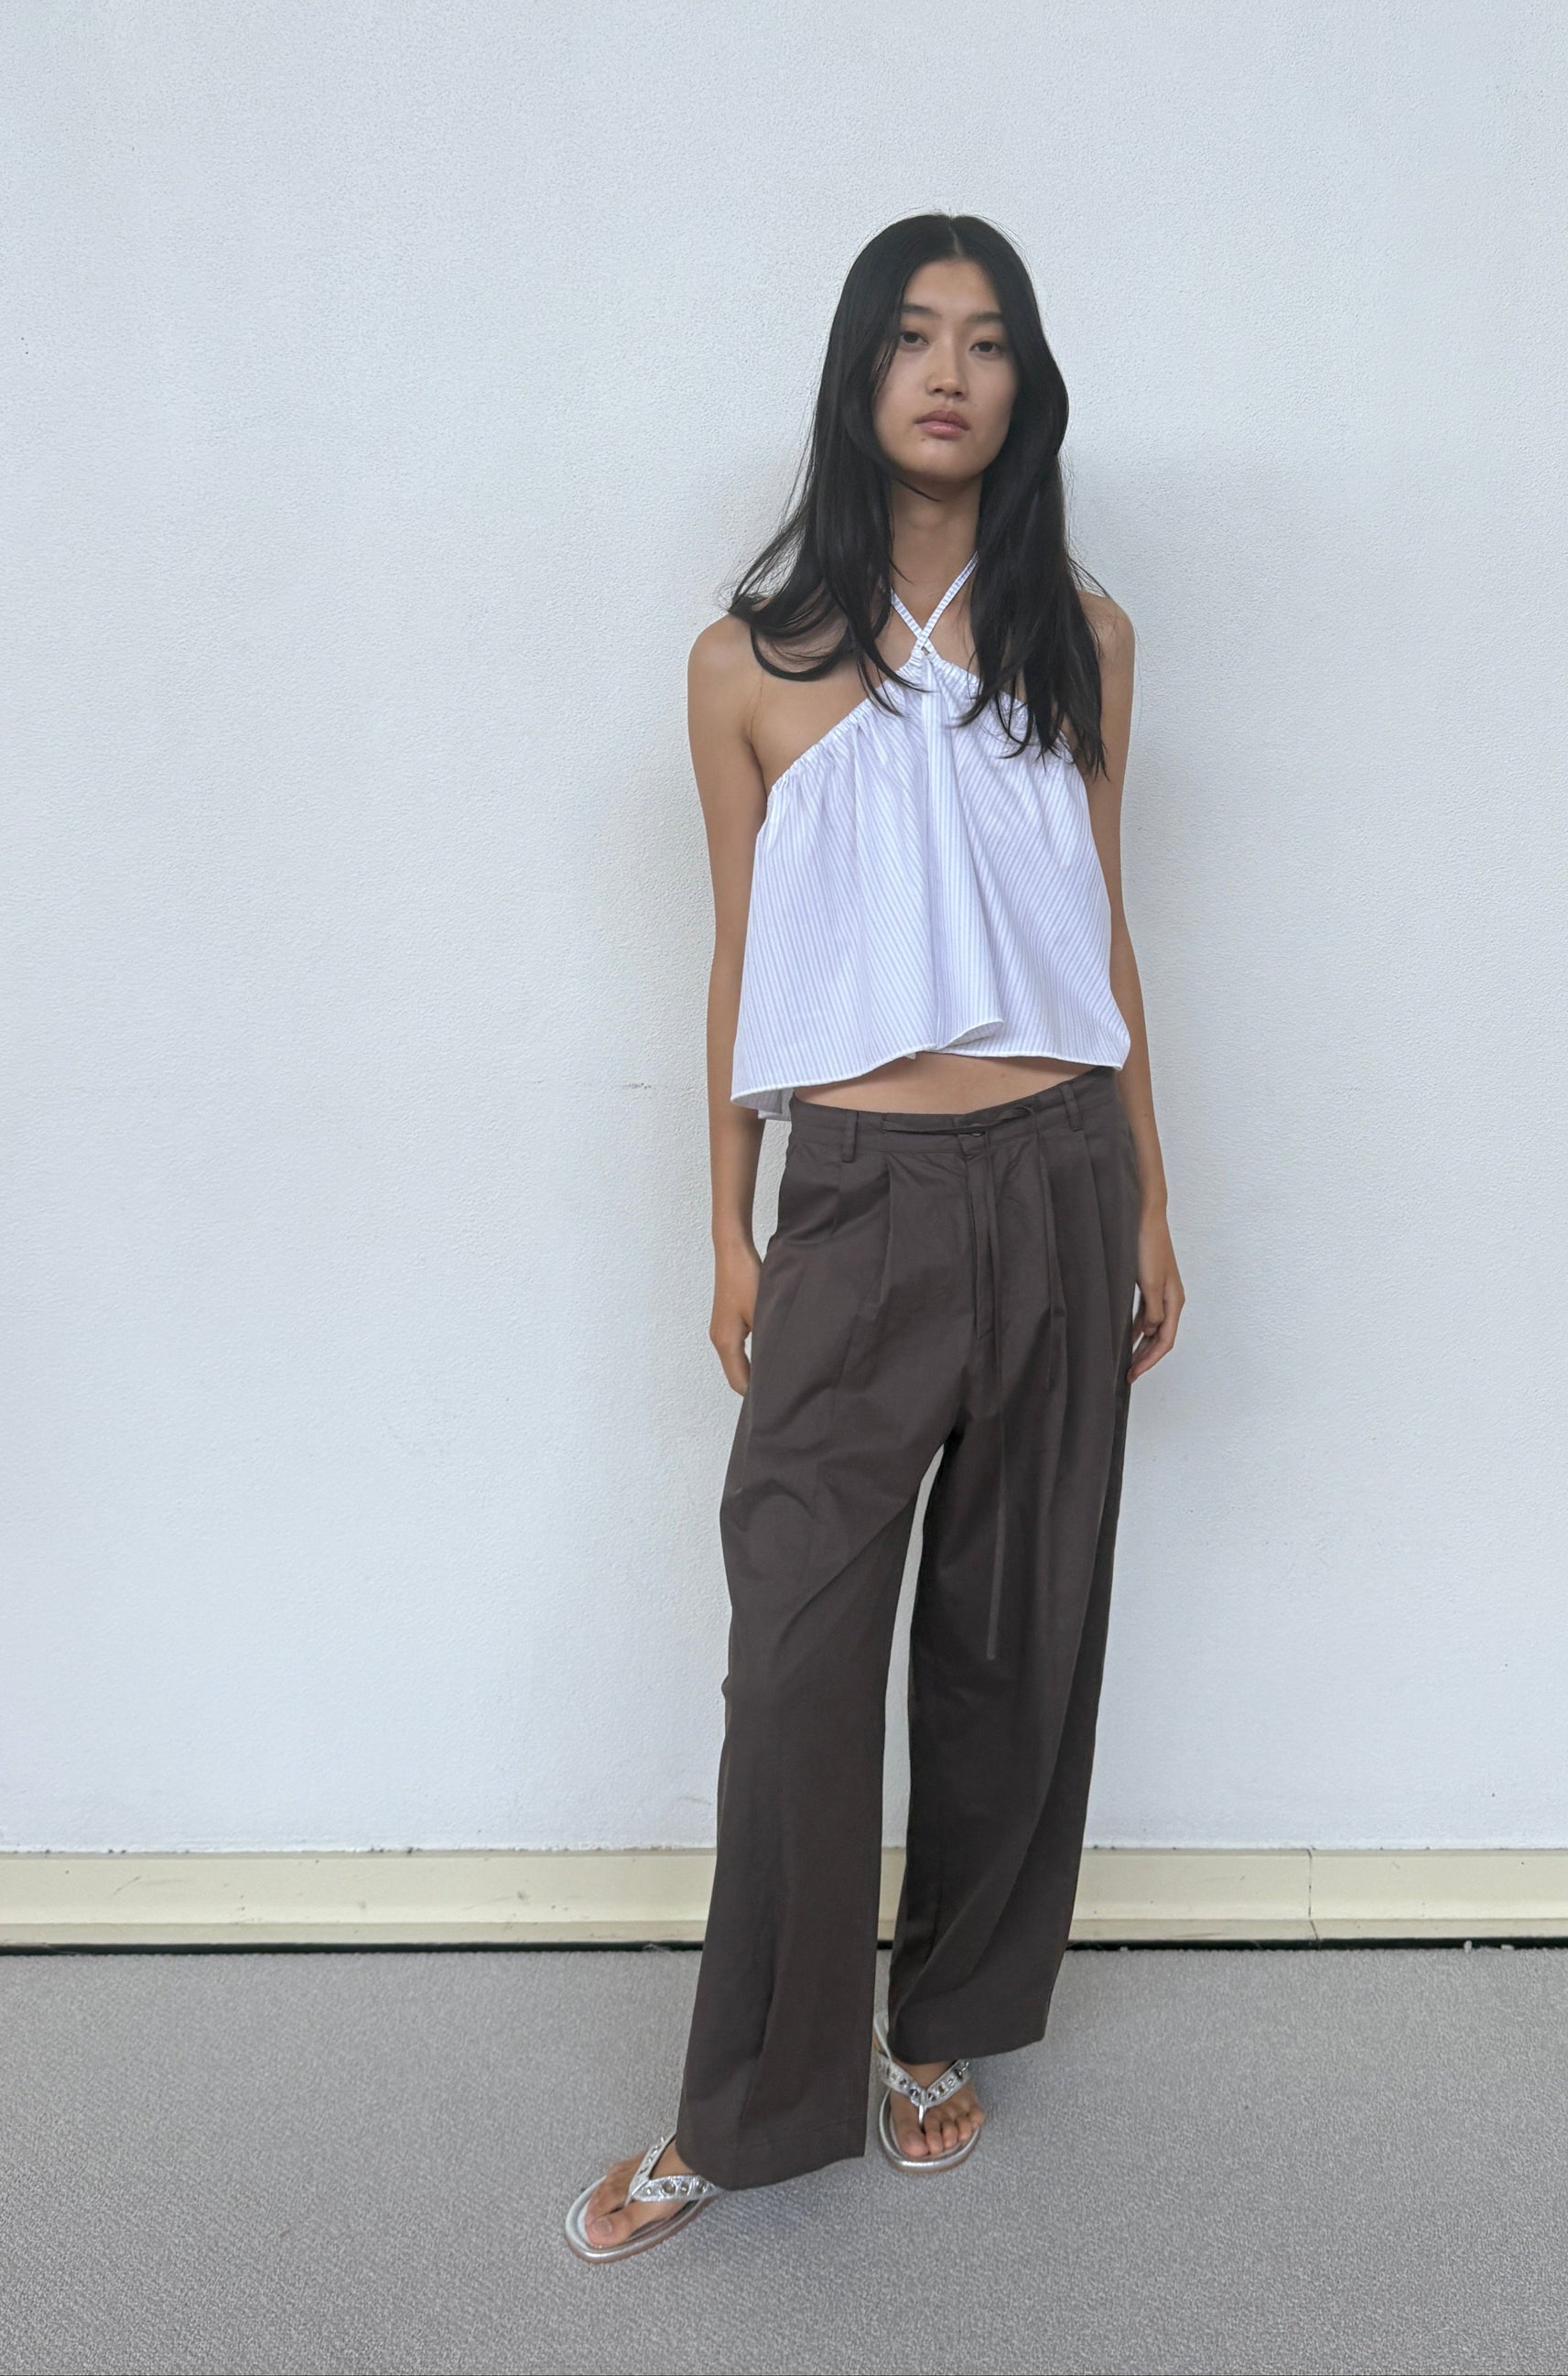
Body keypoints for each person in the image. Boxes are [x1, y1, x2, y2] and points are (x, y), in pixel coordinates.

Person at [566, 212, 1185, 2262]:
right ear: (857, 376)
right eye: (912, 337)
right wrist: (728, 1227)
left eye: (989, 339)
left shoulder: (1078, 639)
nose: (950, 370)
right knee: (801, 1652)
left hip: (1058, 1163)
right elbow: (739, 960)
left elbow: (1098, 928)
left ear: (1027, 384)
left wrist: (1152, 1196)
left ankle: (944, 2022)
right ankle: (745, 2101)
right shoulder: (743, 668)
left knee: (1021, 1628)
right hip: (851, 1190)